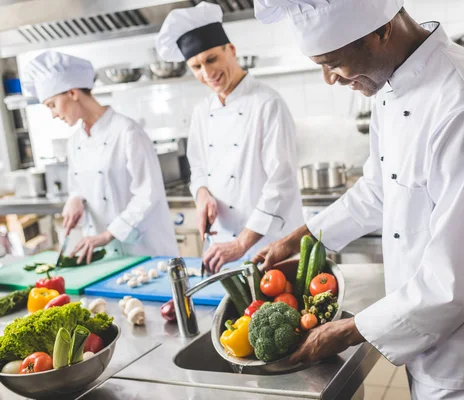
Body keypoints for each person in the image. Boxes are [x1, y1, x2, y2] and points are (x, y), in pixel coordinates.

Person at [253, 1, 464, 398]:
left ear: (381, 31)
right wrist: (300, 238)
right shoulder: (391, 88)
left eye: (333, 62)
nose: (328, 79)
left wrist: (350, 331)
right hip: (424, 335)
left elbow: (455, 280)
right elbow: (379, 190)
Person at [156, 2, 304, 273]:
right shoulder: (202, 112)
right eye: (196, 66)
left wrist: (242, 243)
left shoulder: (267, 103)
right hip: (222, 245)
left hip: (268, 245)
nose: (207, 73)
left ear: (231, 50)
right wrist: (201, 194)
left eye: (211, 59)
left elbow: (280, 184)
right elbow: (198, 168)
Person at [24, 51, 178, 263]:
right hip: (104, 256)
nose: (53, 114)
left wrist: (108, 234)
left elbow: (148, 194)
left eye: (52, 104)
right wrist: (75, 199)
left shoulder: (127, 132)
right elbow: (78, 185)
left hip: (143, 251)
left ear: (72, 93)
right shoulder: (75, 141)